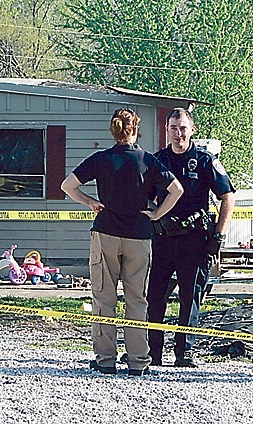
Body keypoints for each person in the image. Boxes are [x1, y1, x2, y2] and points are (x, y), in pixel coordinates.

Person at [61, 108, 184, 376]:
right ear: (136, 130)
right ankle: (138, 360)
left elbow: (67, 185)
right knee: (137, 299)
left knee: (104, 297)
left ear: (114, 131)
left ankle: (105, 360)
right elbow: (177, 189)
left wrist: (90, 201)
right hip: (139, 236)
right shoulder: (147, 161)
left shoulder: (101, 159)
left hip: (105, 233)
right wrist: (156, 214)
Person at [147, 108, 236, 368]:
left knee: (191, 296)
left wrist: (219, 234)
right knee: (155, 296)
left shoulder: (205, 160)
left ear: (192, 130)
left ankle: (184, 352)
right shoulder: (158, 160)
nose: (178, 133)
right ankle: (153, 351)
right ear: (167, 131)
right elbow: (146, 195)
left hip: (195, 240)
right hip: (163, 240)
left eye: (183, 128)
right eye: (173, 128)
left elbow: (227, 196)